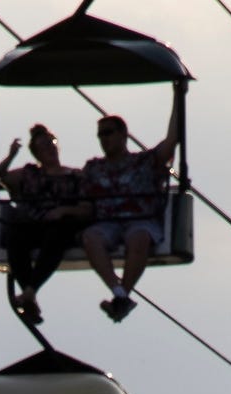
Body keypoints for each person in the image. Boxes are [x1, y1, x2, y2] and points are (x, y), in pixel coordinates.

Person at [75, 98, 182, 321]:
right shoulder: (94, 168)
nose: (104, 139)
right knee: (91, 237)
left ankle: (122, 293)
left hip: (140, 219)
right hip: (108, 223)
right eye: (101, 135)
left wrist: (178, 97)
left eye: (109, 132)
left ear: (124, 135)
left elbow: (172, 140)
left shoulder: (144, 161)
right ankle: (119, 293)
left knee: (139, 236)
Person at [0, 121, 89, 330]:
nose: (49, 150)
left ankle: (29, 292)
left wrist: (63, 211)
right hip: (33, 225)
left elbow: (86, 209)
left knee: (57, 234)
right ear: (36, 153)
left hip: (62, 224)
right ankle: (29, 294)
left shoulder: (75, 175)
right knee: (15, 236)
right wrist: (11, 155)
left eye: (51, 144)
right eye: (43, 147)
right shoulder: (28, 174)